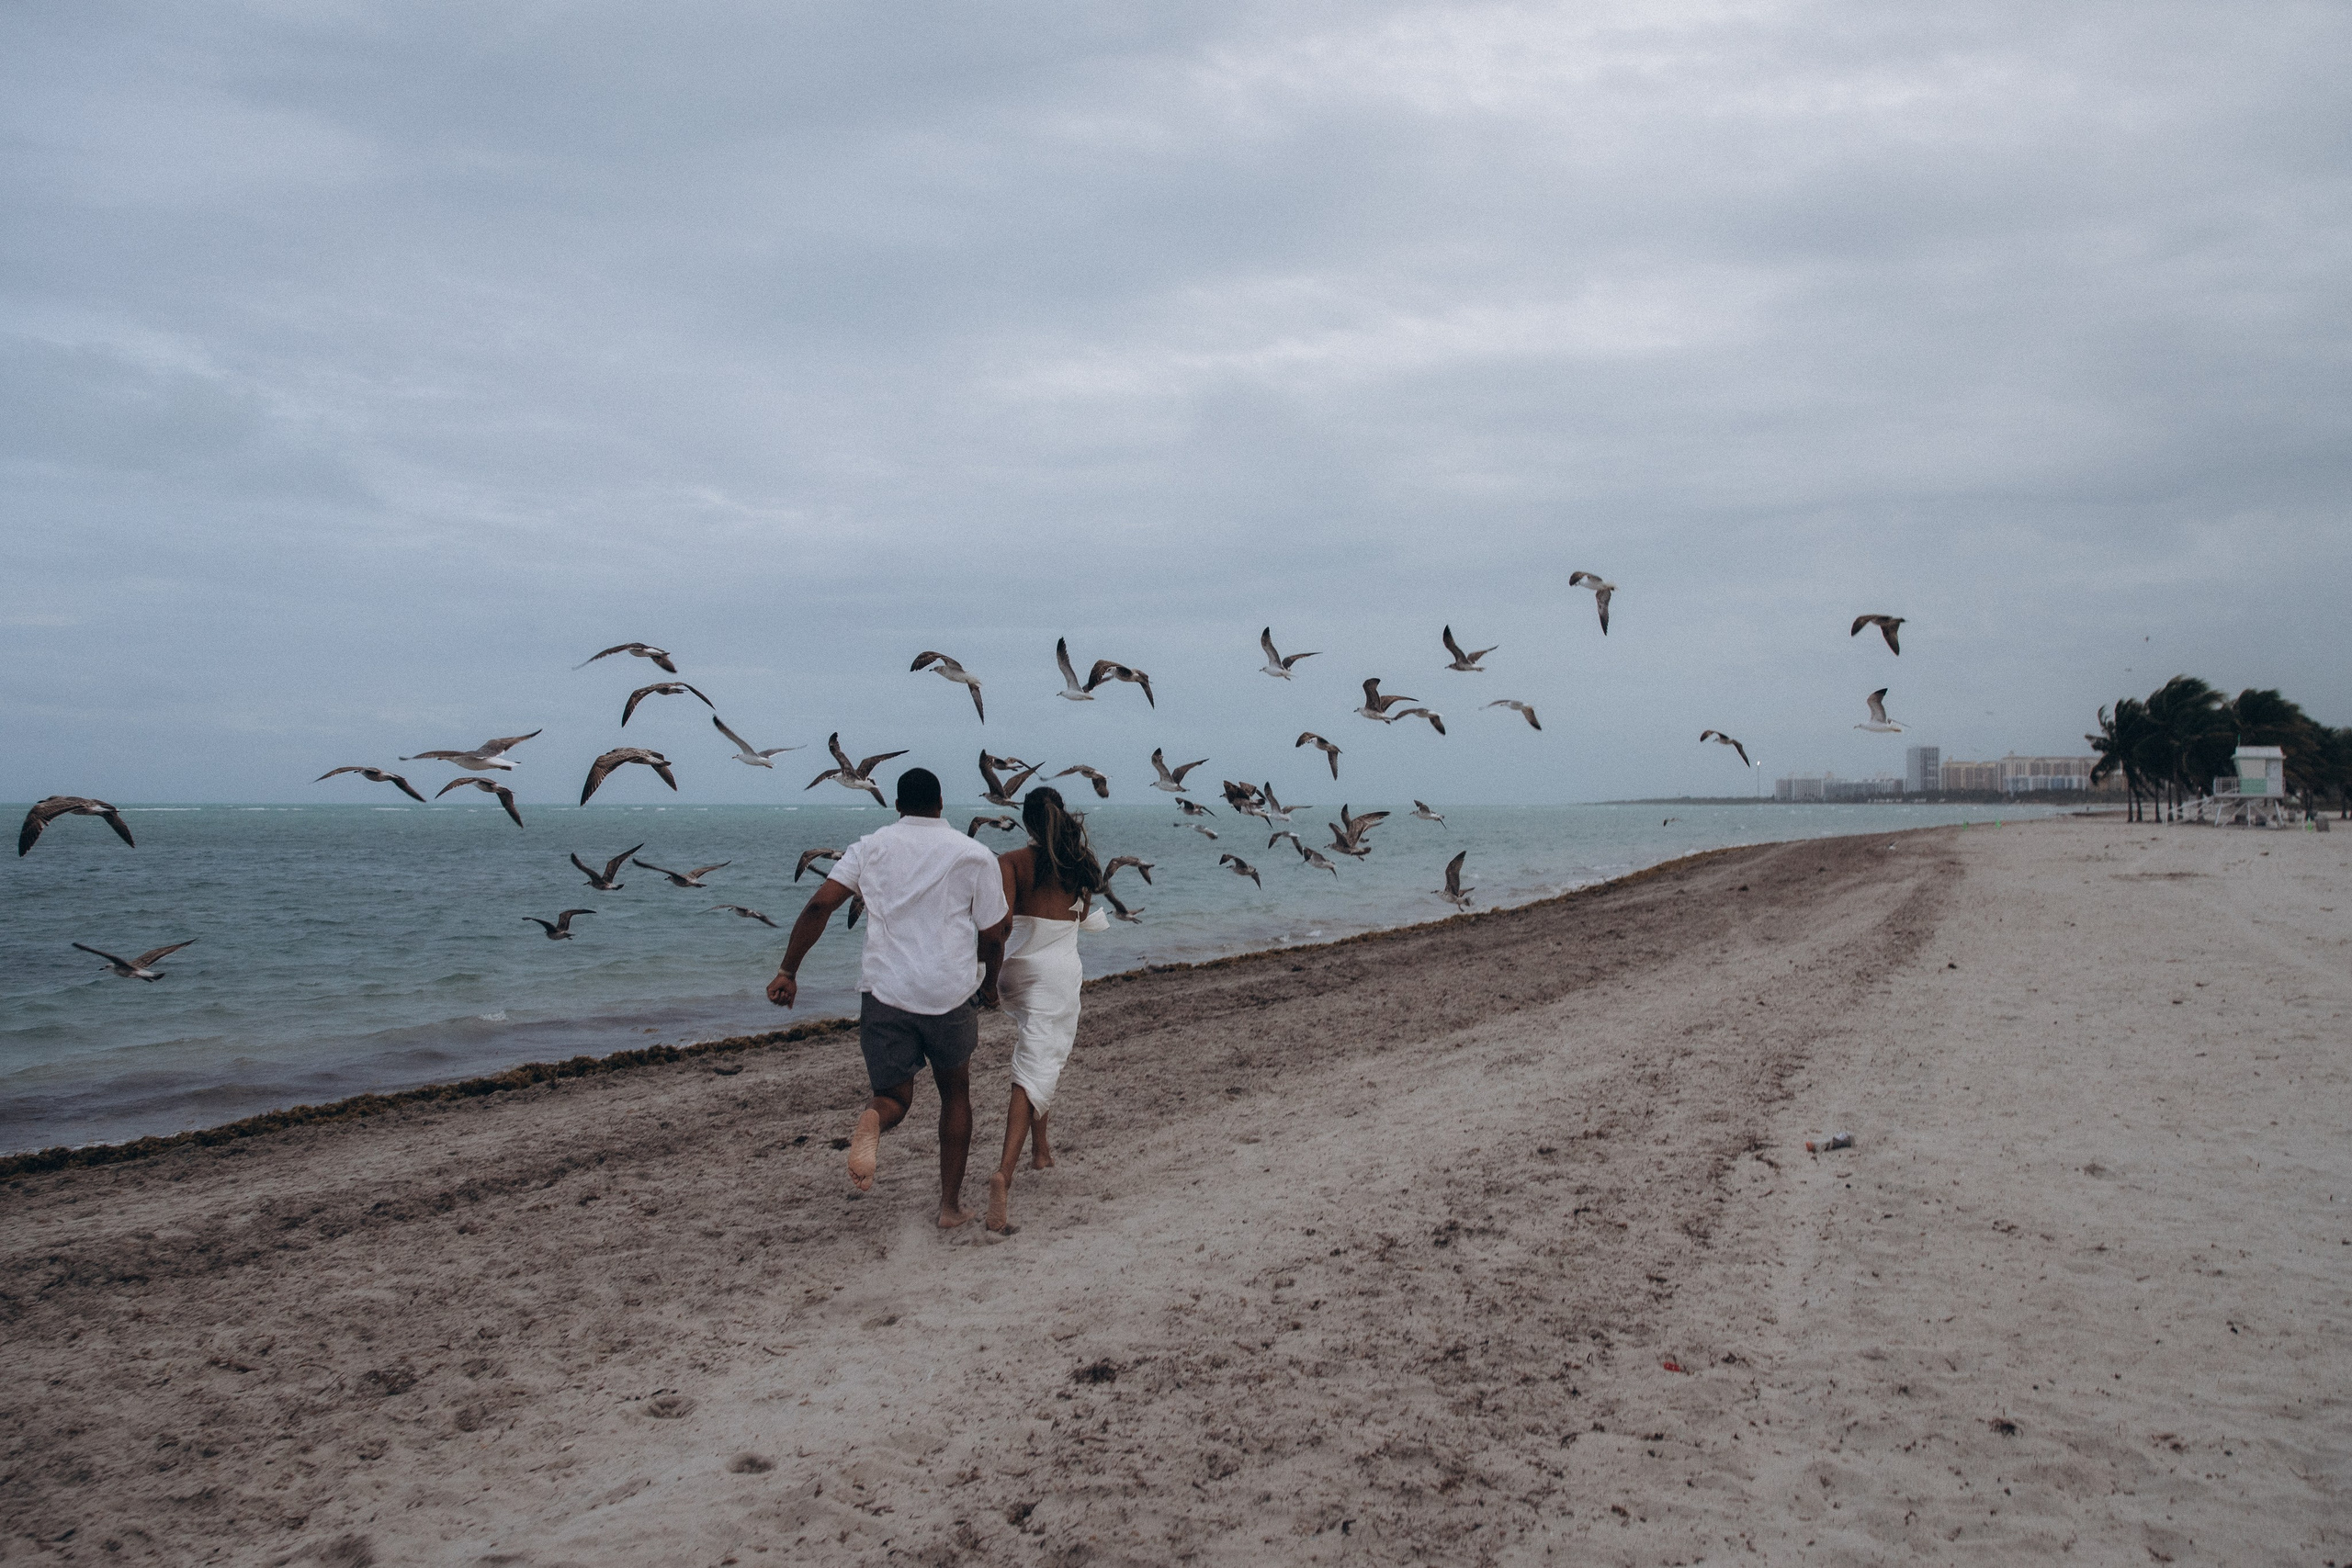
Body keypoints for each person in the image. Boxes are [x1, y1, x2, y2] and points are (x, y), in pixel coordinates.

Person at [767, 767, 1011, 1227]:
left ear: (897, 805)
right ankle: (949, 1207)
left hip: (885, 994)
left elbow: (820, 905)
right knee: (955, 1095)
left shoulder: (870, 846)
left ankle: (876, 1120)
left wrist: (788, 971)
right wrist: (990, 985)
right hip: (949, 995)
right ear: (941, 803)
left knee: (894, 1097)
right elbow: (994, 934)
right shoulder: (974, 854)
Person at [985, 785, 1108, 1234]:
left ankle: (1042, 1150)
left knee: (1043, 1056)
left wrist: (986, 980)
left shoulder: (1011, 863)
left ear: (1027, 821)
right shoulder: (1081, 865)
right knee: (1036, 1065)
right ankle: (1003, 1174)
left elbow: (999, 927)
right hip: (1058, 974)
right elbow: (1079, 916)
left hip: (1017, 971)